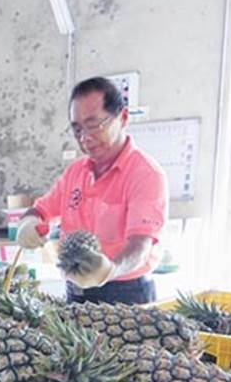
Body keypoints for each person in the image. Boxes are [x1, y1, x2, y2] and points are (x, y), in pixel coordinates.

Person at [16, 77, 168, 304]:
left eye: (94, 125)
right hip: (76, 293)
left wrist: (111, 269)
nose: (85, 138)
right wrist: (28, 224)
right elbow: (41, 210)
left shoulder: (145, 174)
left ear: (122, 118)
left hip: (126, 294)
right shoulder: (75, 173)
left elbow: (141, 245)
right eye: (77, 129)